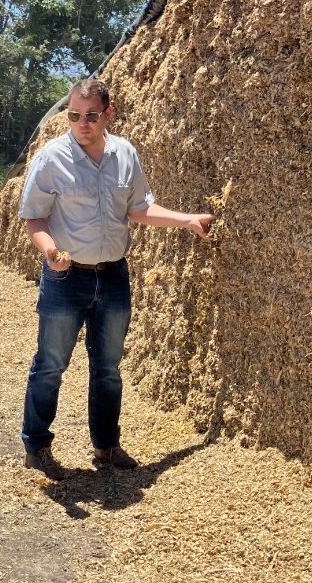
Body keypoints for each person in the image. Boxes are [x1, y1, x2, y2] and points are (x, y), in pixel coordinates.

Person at [18, 78, 215, 481]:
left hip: (113, 278)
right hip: (66, 278)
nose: (82, 123)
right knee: (51, 365)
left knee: (108, 368)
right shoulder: (51, 158)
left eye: (91, 116)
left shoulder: (125, 154)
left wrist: (187, 220)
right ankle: (37, 448)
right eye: (74, 115)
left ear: (109, 113)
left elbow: (140, 209)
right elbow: (33, 217)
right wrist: (50, 251)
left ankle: (106, 446)